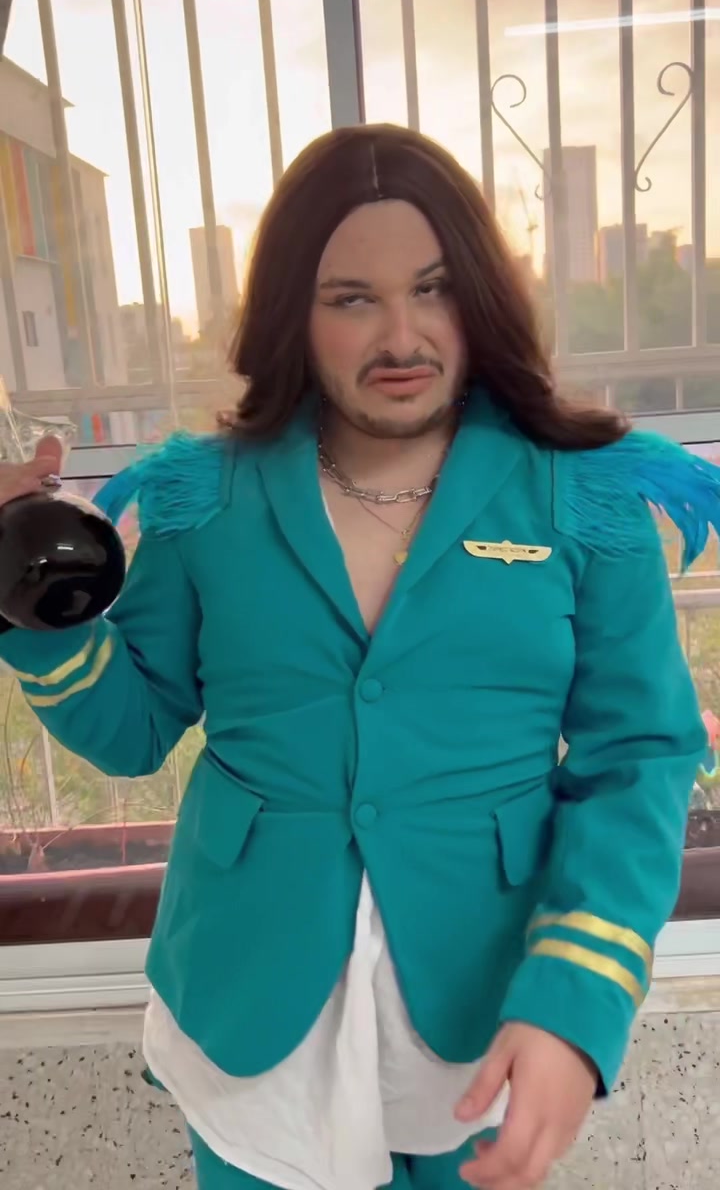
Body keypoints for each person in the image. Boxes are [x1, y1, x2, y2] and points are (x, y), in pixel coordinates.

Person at [0, 123, 714, 1190]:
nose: (401, 334)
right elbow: (134, 727)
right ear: (294, 310)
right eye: (351, 298)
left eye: (433, 288)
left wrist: (577, 998)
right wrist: (31, 601)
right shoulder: (203, 495)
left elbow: (640, 756)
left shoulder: (581, 492)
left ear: (479, 295)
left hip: (483, 1003)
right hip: (251, 1009)